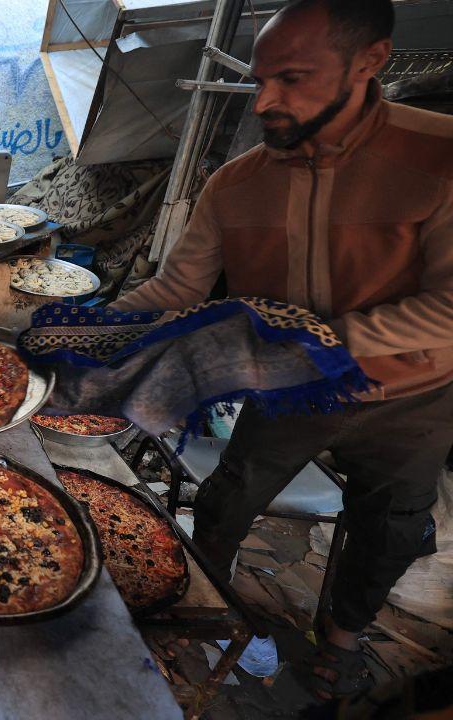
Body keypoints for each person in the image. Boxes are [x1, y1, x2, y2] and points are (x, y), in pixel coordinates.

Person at [110, 0, 453, 699]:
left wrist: (318, 339)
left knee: (388, 527)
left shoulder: (438, 157)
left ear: (370, 61)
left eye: (292, 78)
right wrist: (90, 328)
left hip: (411, 398)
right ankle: (202, 610)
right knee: (226, 501)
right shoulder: (236, 183)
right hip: (293, 393)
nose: (265, 99)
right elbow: (177, 286)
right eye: (261, 78)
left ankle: (342, 643)